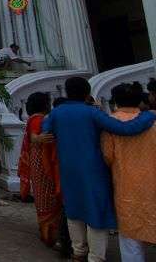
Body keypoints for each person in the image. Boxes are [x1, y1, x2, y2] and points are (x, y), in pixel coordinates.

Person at [39, 76, 156, 262]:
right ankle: (95, 257)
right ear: (87, 94)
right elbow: (124, 129)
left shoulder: (56, 113)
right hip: (93, 170)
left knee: (73, 211)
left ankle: (78, 252)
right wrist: (149, 114)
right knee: (96, 213)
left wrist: (37, 138)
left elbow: (44, 133)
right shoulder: (92, 113)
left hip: (68, 170)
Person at [101, 83, 156, 262]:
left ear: (115, 101)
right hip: (153, 184)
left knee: (130, 241)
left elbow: (107, 157)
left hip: (127, 186)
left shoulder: (111, 123)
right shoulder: (152, 120)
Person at [18, 91, 63, 248]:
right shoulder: (38, 119)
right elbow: (34, 137)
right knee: (48, 198)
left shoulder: (33, 118)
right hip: (42, 164)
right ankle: (50, 234)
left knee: (43, 198)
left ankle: (47, 232)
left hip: (38, 164)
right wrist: (39, 138)